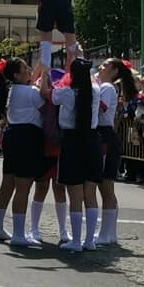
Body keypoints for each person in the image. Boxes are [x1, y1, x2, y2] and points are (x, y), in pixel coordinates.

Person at [41, 58, 101, 252]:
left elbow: (47, 94)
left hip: (72, 141)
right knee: (90, 193)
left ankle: (76, 240)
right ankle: (90, 240)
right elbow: (90, 79)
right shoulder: (95, 91)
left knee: (75, 193)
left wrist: (44, 76)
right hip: (92, 141)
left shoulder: (66, 93)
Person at [0, 59, 51, 247]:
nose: (29, 70)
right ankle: (18, 233)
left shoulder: (12, 90)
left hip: (13, 135)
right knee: (23, 185)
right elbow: (46, 106)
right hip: (28, 137)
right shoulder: (31, 92)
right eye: (26, 68)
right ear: (17, 75)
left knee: (7, 182)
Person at [96, 58, 137, 245]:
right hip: (104, 135)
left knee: (106, 186)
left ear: (113, 71)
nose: (100, 67)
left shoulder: (107, 88)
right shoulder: (105, 87)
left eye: (105, 66)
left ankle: (108, 233)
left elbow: (99, 109)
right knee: (105, 187)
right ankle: (109, 232)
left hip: (105, 136)